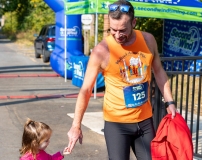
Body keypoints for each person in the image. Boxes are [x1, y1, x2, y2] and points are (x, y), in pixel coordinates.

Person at [67, 0, 177, 159]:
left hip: (145, 121)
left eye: (123, 30)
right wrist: (76, 126)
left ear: (134, 22)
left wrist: (170, 102)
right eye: (113, 30)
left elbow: (159, 71)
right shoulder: (101, 51)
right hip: (117, 125)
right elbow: (85, 90)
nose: (118, 35)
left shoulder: (148, 40)